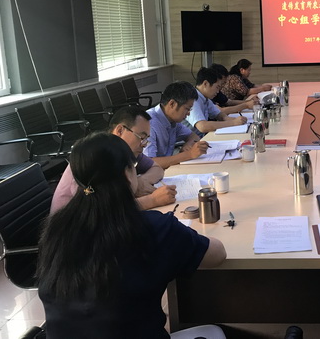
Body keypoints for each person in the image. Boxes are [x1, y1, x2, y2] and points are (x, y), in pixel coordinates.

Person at [37, 133, 226, 338]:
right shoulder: (152, 227)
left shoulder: (56, 229)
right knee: (215, 331)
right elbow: (217, 255)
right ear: (127, 174)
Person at [50, 106, 176, 213]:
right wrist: (152, 200)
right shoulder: (94, 156)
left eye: (146, 139)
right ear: (120, 130)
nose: (144, 144)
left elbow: (157, 169)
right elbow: (102, 211)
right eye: (141, 137)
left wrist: (141, 182)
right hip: (72, 228)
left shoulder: (125, 151)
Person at [145, 81, 209, 168]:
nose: (188, 113)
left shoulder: (173, 120)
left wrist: (188, 144)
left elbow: (194, 136)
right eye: (187, 109)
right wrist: (189, 154)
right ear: (172, 104)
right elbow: (149, 163)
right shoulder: (149, 123)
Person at [188, 67, 248, 135]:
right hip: (193, 140)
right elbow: (202, 126)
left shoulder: (205, 98)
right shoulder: (193, 99)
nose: (218, 91)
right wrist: (233, 123)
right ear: (205, 84)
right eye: (217, 87)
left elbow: (219, 114)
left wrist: (233, 119)